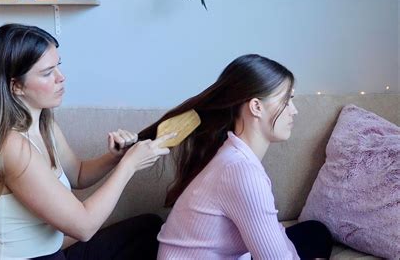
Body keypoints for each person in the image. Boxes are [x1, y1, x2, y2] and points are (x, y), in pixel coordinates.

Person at [0, 23, 175, 259]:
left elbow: (78, 174)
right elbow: (84, 227)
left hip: (52, 252)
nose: (61, 78)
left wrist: (116, 157)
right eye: (47, 72)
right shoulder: (11, 146)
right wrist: (129, 166)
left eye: (58, 66)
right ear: (16, 86)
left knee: (148, 228)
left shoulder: (44, 124)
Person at [139, 54, 333, 259]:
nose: (294, 110)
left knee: (315, 233)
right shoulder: (241, 171)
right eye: (286, 101)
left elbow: (272, 230)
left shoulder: (232, 154)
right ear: (256, 107)